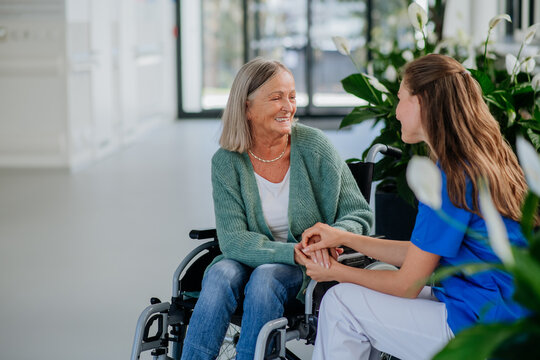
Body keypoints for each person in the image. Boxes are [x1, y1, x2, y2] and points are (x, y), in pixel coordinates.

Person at [296, 54, 530, 360]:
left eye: (400, 98)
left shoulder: (452, 177)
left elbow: (406, 284)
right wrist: (343, 237)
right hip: (506, 314)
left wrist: (335, 272)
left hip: (483, 326)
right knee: (362, 291)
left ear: (422, 102)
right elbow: (421, 253)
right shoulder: (479, 160)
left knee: (340, 303)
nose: (395, 112)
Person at [180, 57, 373, 360]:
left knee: (266, 277)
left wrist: (334, 236)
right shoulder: (226, 162)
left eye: (292, 96)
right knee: (219, 274)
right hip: (248, 258)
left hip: (302, 268)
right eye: (276, 97)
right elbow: (232, 240)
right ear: (246, 107)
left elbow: (358, 214)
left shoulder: (314, 146)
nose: (288, 106)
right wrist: (289, 251)